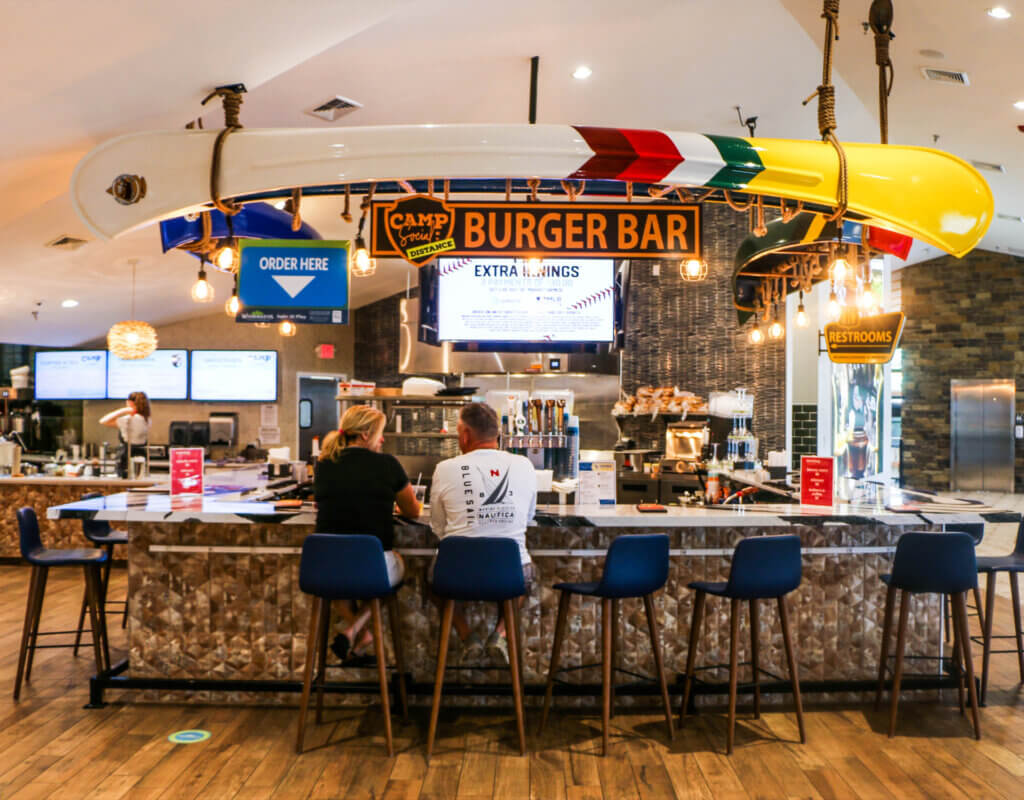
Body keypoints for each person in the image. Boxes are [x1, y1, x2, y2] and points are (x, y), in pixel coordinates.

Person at [429, 402, 537, 665]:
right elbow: (528, 517)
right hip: (510, 570)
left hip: (456, 572)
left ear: (465, 435)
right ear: (496, 433)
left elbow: (438, 527)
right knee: (524, 578)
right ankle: (500, 635)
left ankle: (469, 638)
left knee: (433, 580)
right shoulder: (524, 465)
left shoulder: (445, 468)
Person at [314, 405, 420, 662]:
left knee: (336, 585)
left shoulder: (324, 463)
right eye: (380, 434)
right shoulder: (387, 465)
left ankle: (358, 632)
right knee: (395, 568)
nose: (382, 440)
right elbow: (413, 511)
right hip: (373, 567)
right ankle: (356, 630)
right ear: (365, 435)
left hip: (326, 567)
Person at [99, 391, 151, 478]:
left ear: (130, 403)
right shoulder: (147, 420)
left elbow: (103, 421)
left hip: (126, 456)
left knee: (125, 480)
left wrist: (123, 410)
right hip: (142, 455)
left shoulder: (128, 420)